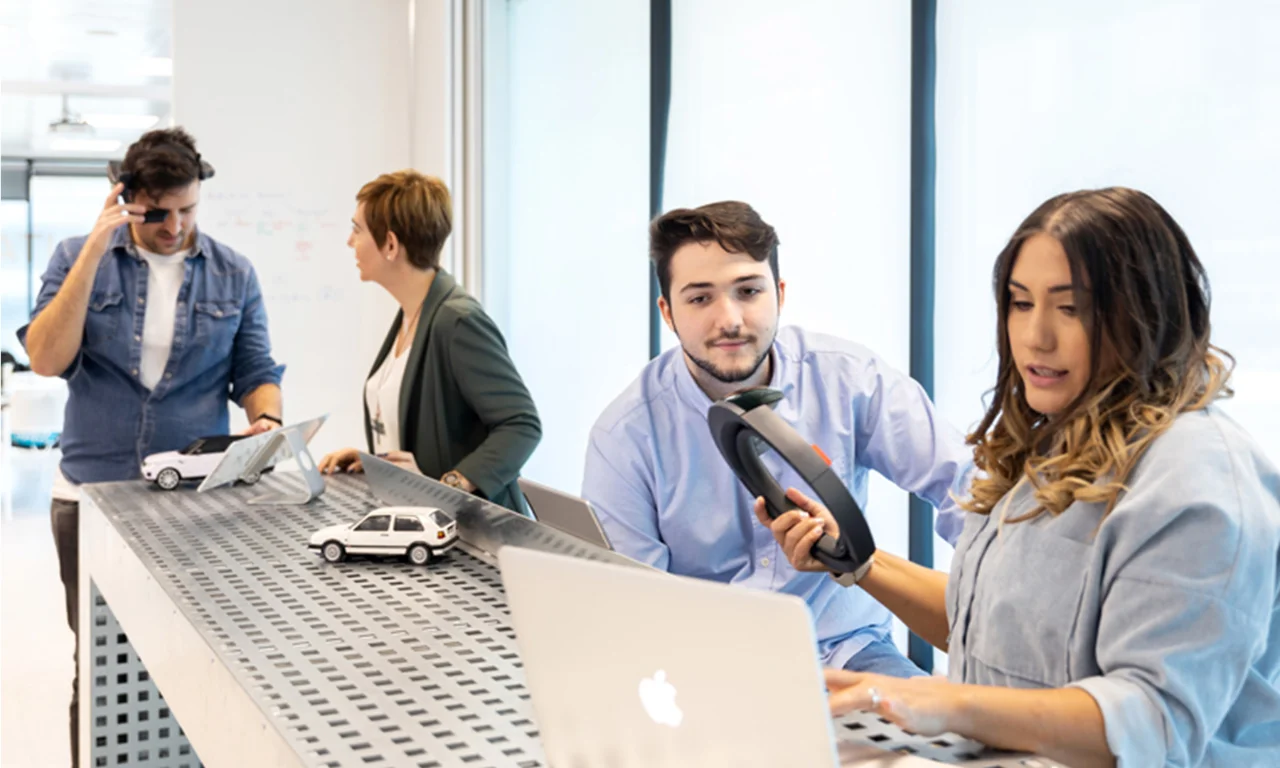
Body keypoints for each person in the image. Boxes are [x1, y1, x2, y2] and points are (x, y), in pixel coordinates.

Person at [762, 187, 1280, 767]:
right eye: (1019, 303)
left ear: (1146, 314)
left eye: (1072, 307)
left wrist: (939, 701)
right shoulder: (1058, 441)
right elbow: (984, 627)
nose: (1036, 336)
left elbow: (1150, 722)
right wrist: (857, 561)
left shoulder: (1199, 483)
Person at [582, 201, 970, 678]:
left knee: (941, 750)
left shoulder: (849, 379)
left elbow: (966, 485)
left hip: (846, 649)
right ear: (667, 312)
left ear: (780, 295)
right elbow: (637, 607)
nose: (730, 320)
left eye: (748, 291)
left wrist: (998, 606)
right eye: (699, 298)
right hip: (707, 668)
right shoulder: (625, 436)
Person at [16, 127, 286, 766]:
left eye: (188, 210)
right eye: (158, 213)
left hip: (193, 499)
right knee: (102, 658)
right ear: (126, 199)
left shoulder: (233, 272)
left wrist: (267, 421)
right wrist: (94, 249)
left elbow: (256, 372)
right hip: (91, 495)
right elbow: (48, 358)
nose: (175, 226)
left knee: (190, 659)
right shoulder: (77, 256)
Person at [317, 170, 541, 513]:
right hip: (418, 520)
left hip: (471, 535)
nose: (350, 241)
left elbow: (522, 425)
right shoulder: (413, 313)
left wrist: (449, 485)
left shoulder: (458, 321)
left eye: (357, 230)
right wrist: (375, 460)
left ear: (390, 245)